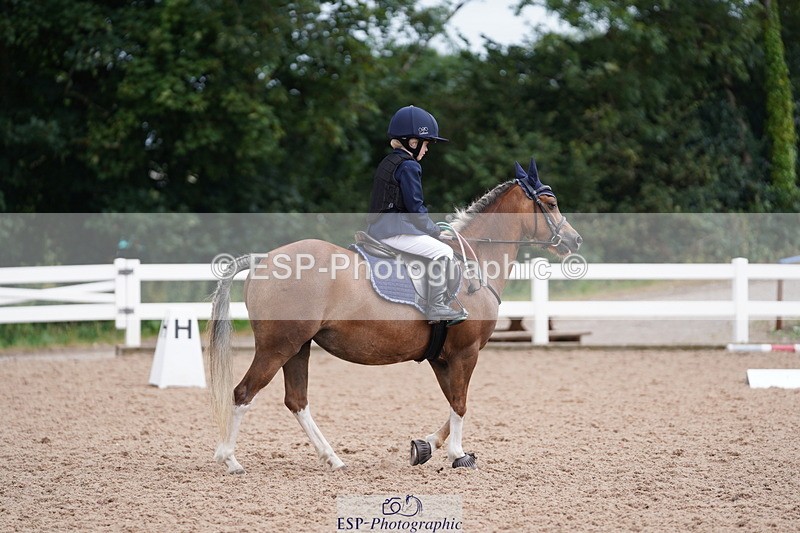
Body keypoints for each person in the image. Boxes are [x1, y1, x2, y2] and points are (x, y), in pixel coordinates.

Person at [367, 105, 467, 323]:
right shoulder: (409, 166)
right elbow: (416, 208)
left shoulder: (387, 162)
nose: (427, 150)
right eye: (426, 144)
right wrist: (434, 231)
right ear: (413, 142)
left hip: (377, 228)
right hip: (394, 231)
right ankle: (436, 307)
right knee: (443, 251)